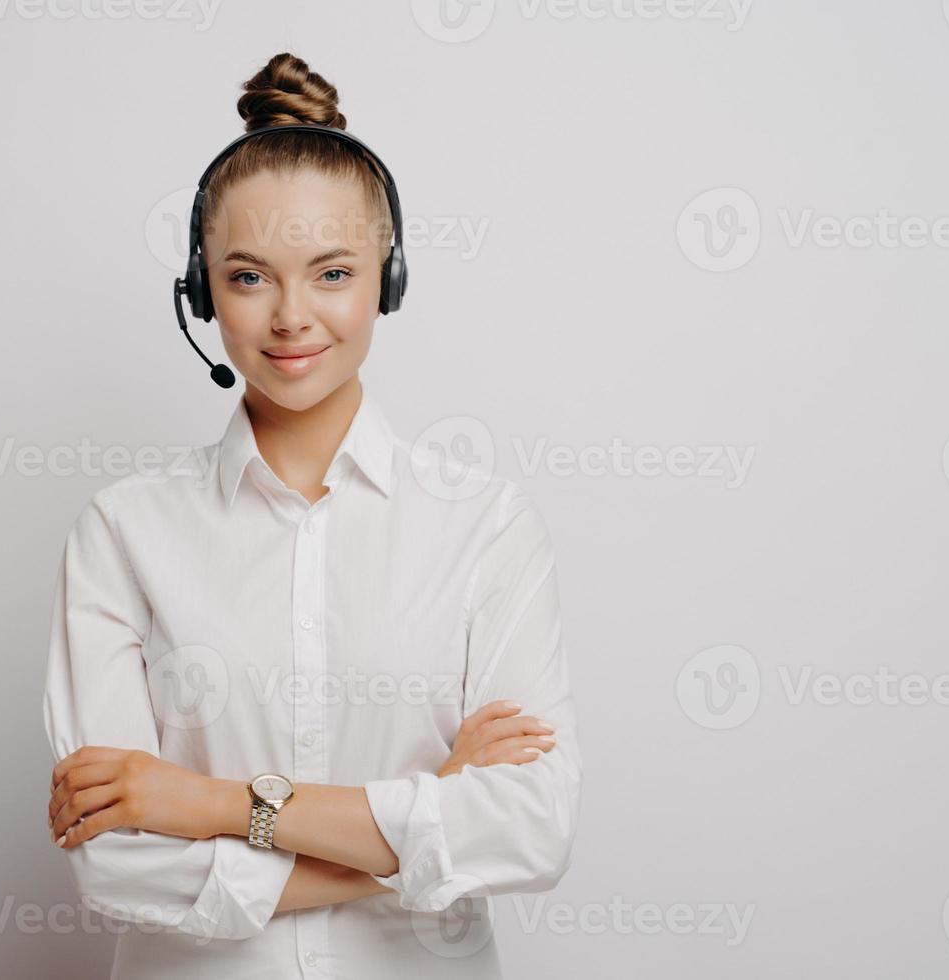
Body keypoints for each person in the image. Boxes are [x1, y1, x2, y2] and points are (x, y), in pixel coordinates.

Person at [43, 51, 581, 979]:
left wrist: (210, 804)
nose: (292, 316)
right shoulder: (123, 532)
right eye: (250, 277)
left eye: (331, 272)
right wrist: (425, 819)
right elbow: (118, 862)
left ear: (389, 278)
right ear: (203, 290)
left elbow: (532, 832)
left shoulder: (486, 526)